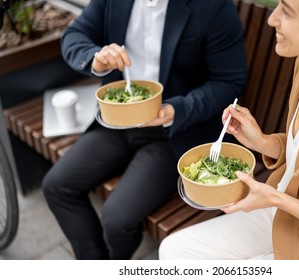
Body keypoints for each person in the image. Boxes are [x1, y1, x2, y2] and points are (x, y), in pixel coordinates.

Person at [159, 0, 299, 260]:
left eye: (287, 11)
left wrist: (277, 200)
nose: (272, 19)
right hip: (282, 207)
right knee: (173, 250)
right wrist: (264, 143)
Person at [42, 0, 247, 260]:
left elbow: (229, 82)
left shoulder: (213, 6)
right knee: (56, 186)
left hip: (174, 133)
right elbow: (74, 35)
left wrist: (176, 110)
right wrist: (96, 58)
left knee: (116, 220)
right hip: (118, 120)